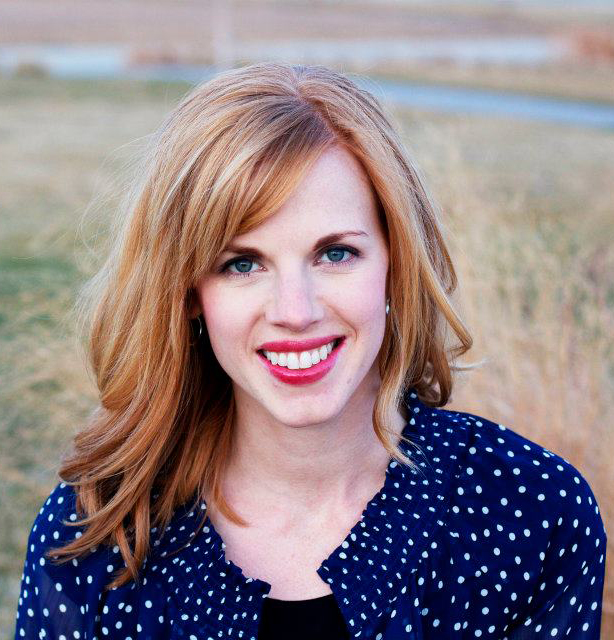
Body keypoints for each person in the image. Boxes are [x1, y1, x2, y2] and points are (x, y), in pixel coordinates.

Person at [14, 62, 606, 640]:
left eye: (335, 253)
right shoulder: (96, 536)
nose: (295, 311)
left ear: (395, 263)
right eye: (242, 264)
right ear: (188, 292)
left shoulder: (532, 514)